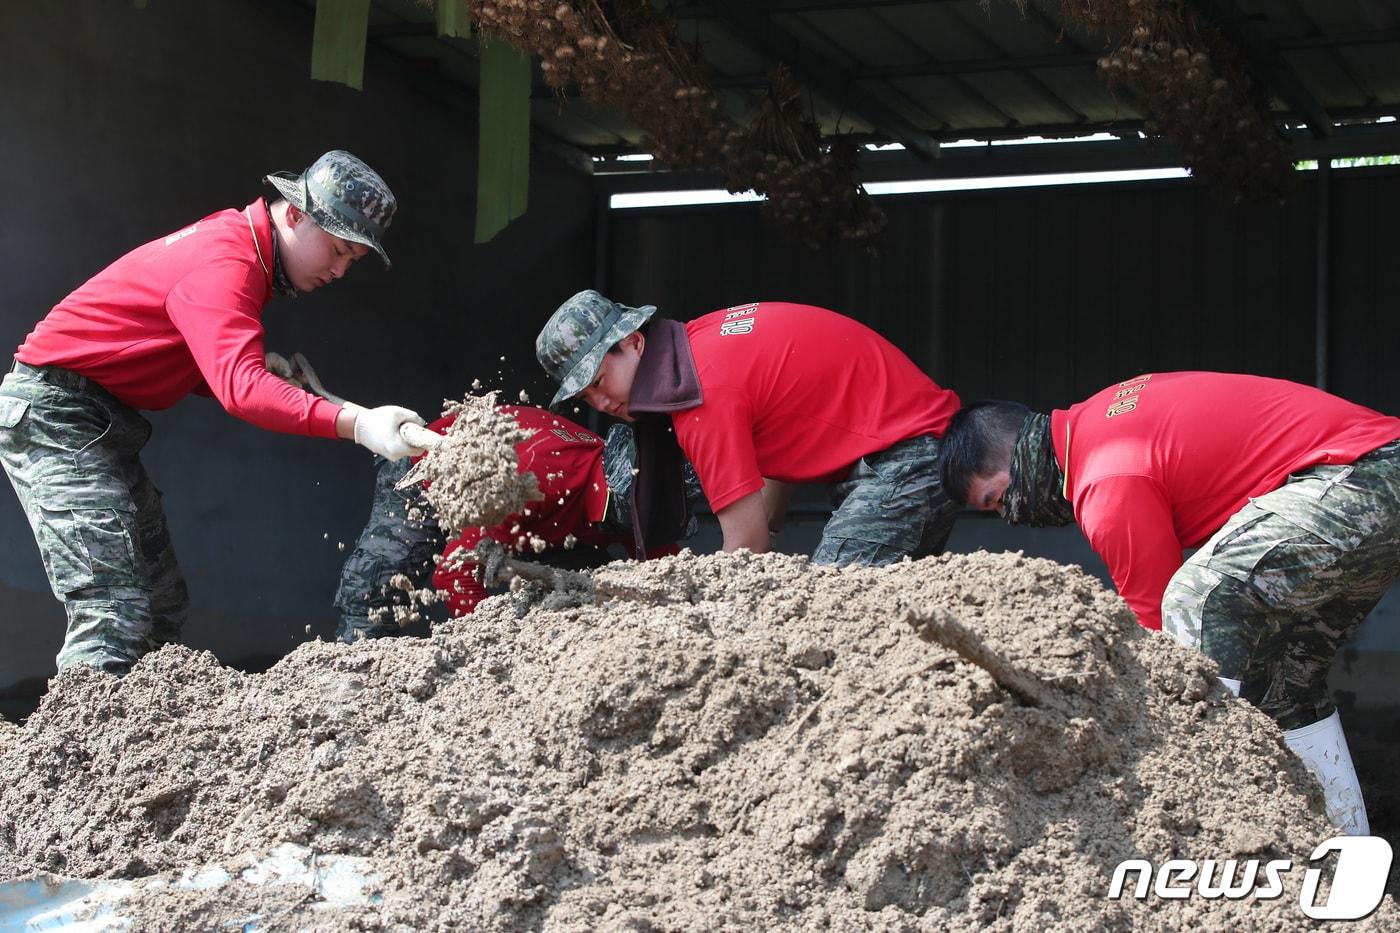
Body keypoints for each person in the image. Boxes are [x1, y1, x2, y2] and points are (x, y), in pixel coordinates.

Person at [0, 150, 428, 677]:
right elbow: (241, 391)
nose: (339, 270)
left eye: (352, 262)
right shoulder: (229, 261)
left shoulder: (235, 246)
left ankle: (139, 745)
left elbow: (177, 353)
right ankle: (72, 756)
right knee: (112, 606)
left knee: (161, 606)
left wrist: (250, 370)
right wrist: (359, 425)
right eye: (338, 250)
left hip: (94, 419)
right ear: (295, 214)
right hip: (55, 415)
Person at [938, 371, 1400, 835]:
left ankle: (1190, 819)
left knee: (1197, 598)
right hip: (1371, 479)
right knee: (1284, 680)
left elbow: (1158, 629)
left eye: (997, 499)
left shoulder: (1104, 476)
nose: (1009, 517)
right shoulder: (1101, 416)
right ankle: (1343, 848)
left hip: (1360, 476)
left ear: (1016, 455)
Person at [533, 290, 962, 566]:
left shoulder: (698, 395)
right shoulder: (698, 344)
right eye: (586, 398)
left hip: (908, 462)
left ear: (634, 342)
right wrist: (769, 523)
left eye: (599, 382)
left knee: (830, 603)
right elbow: (779, 435)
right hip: (920, 453)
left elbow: (747, 548)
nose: (602, 404)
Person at [334, 405, 702, 641]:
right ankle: (347, 683)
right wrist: (489, 649)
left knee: (584, 589)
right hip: (425, 475)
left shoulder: (633, 495)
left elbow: (660, 572)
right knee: (375, 592)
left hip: (548, 518)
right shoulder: (531, 485)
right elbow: (453, 572)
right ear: (615, 508)